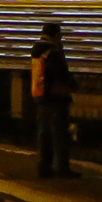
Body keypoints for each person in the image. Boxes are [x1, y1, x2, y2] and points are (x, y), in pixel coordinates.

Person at [29, 21, 75, 178]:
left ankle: (44, 167)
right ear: (56, 34)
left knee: (44, 134)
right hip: (56, 96)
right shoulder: (53, 52)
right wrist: (73, 84)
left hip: (41, 95)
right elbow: (60, 75)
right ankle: (61, 168)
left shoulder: (37, 51)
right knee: (59, 135)